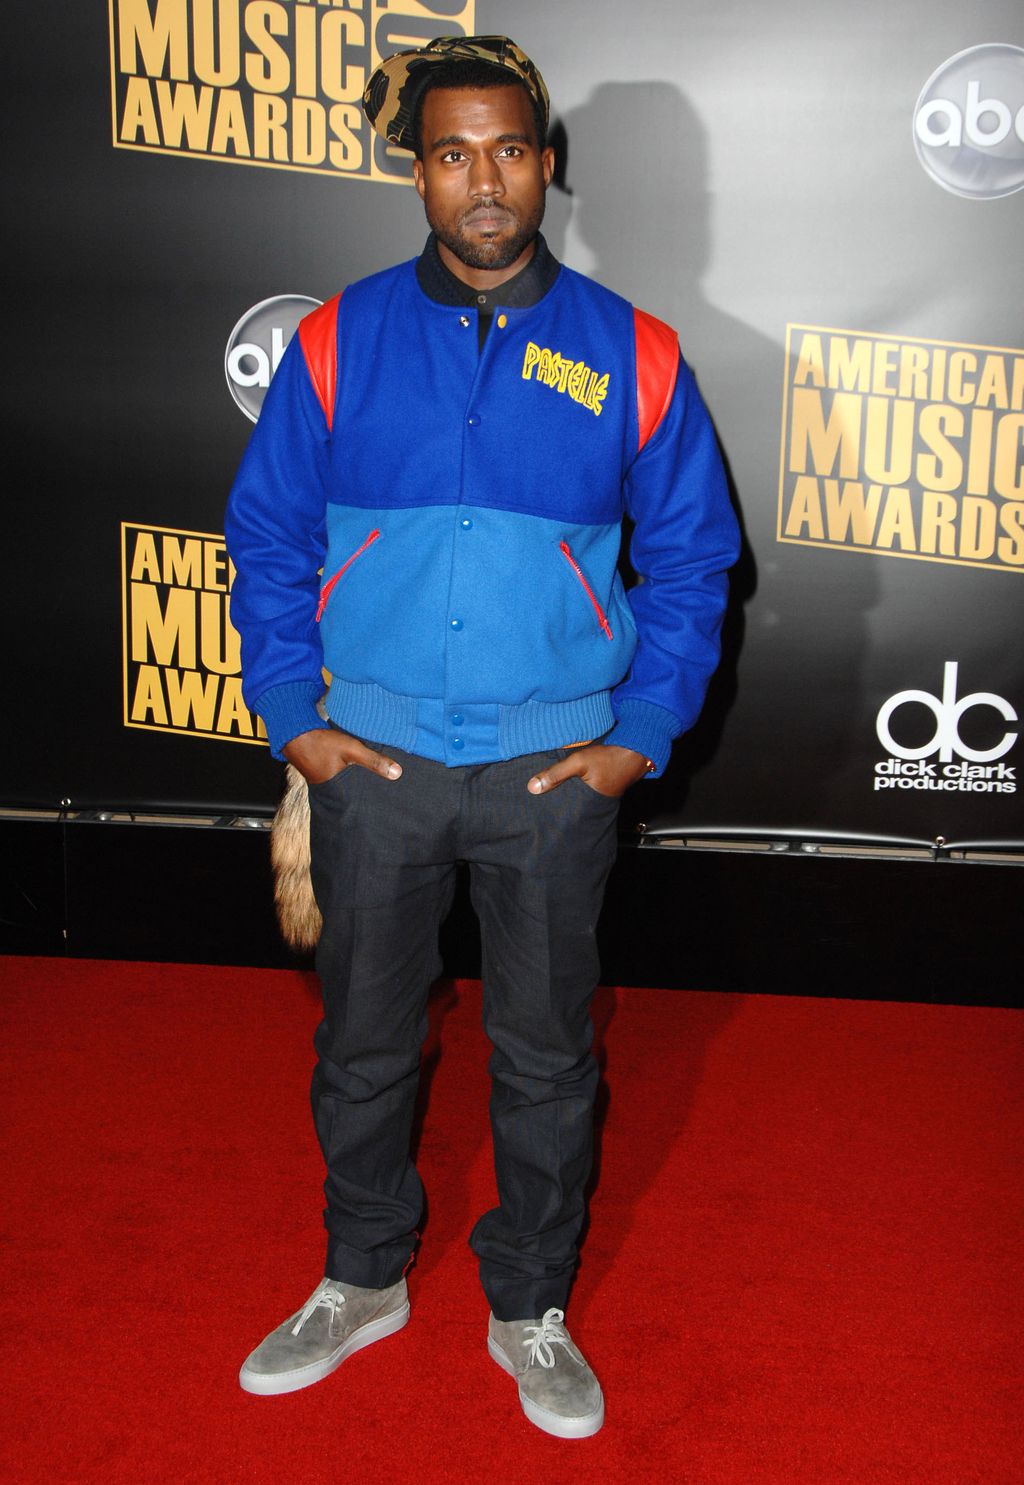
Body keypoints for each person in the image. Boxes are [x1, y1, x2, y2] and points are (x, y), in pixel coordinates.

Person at [225, 34, 739, 1439]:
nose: (485, 180)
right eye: (453, 153)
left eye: (510, 149)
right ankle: (362, 1273)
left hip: (554, 772)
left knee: (548, 1052)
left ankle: (529, 1300)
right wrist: (296, 719)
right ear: (418, 173)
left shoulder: (632, 351)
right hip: (372, 766)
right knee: (366, 1042)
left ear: (548, 163)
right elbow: (266, 538)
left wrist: (637, 733)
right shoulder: (338, 340)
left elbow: (695, 562)